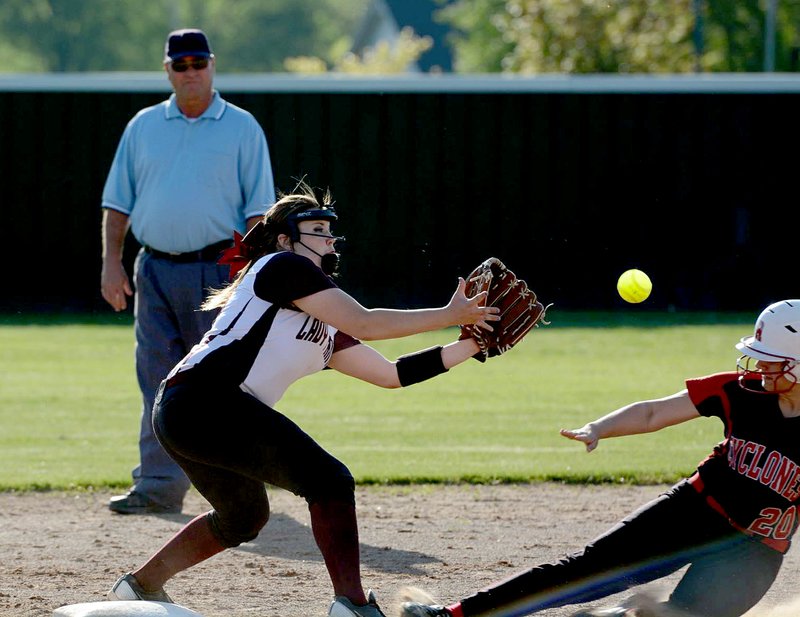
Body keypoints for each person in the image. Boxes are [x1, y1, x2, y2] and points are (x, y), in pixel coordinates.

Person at [106, 183, 501, 617]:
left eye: (331, 231)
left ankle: (141, 586)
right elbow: (366, 323)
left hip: (188, 413)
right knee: (328, 481)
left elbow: (391, 375)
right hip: (206, 402)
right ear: (283, 238)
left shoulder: (324, 326)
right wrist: (449, 315)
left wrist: (469, 347)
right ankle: (351, 606)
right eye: (317, 228)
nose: (329, 238)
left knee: (244, 517)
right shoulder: (282, 266)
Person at [402, 299, 800, 617]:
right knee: (585, 570)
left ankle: (624, 615)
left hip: (754, 551)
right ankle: (454, 614)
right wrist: (599, 428)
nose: (760, 365)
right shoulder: (739, 390)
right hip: (693, 512)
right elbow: (652, 412)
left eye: (772, 359)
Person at [100, 28, 275, 514]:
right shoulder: (143, 126)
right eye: (181, 65)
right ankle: (157, 487)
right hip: (153, 267)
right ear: (168, 70)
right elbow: (117, 203)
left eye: (198, 62)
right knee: (156, 378)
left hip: (220, 269)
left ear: (213, 65)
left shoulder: (241, 127)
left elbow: (258, 213)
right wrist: (111, 263)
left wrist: (250, 277)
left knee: (223, 382)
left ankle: (239, 486)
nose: (191, 72)